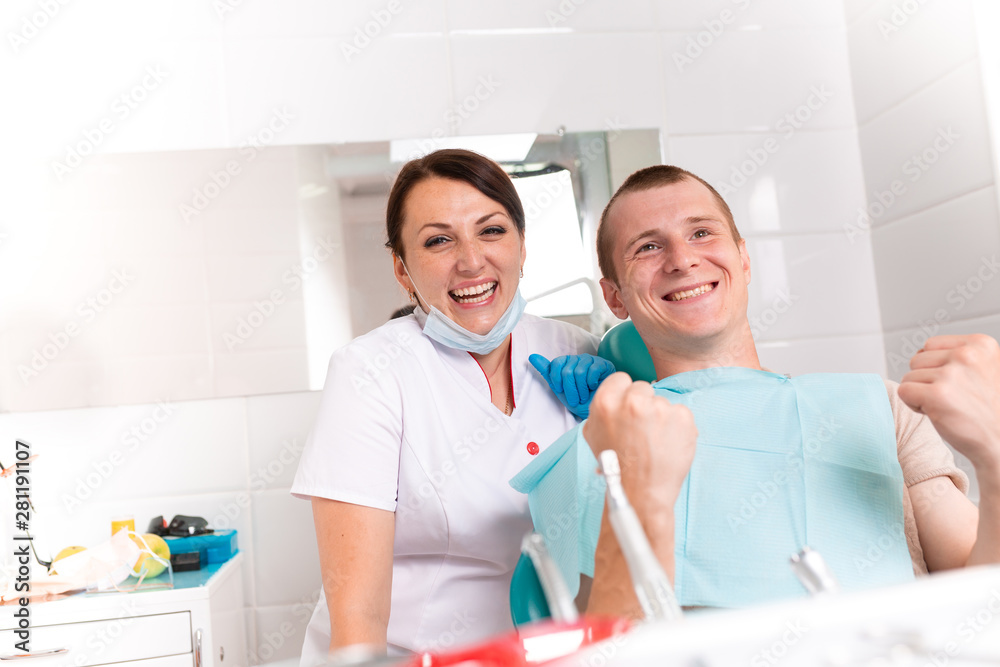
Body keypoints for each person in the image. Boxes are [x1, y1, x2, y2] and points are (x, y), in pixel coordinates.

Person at [512, 165, 999, 618]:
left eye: (701, 232)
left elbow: (979, 597)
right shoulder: (601, 448)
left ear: (743, 259)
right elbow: (602, 648)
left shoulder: (882, 407)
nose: (682, 260)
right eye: (648, 247)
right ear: (615, 296)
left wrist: (994, 456)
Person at [291, 149, 614, 662]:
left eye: (491, 231)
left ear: (523, 247)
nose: (470, 260)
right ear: (402, 268)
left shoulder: (576, 352)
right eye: (439, 240)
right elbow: (359, 623)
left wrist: (612, 423)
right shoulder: (370, 372)